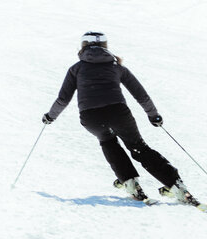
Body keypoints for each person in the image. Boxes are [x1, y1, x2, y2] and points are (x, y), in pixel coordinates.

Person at [42, 30, 198, 204]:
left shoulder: (76, 69)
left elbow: (63, 99)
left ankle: (130, 183)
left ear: (83, 46)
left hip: (91, 117)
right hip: (118, 113)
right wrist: (153, 116)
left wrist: (50, 116)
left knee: (108, 142)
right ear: (105, 46)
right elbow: (141, 95)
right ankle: (176, 187)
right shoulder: (116, 67)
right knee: (138, 147)